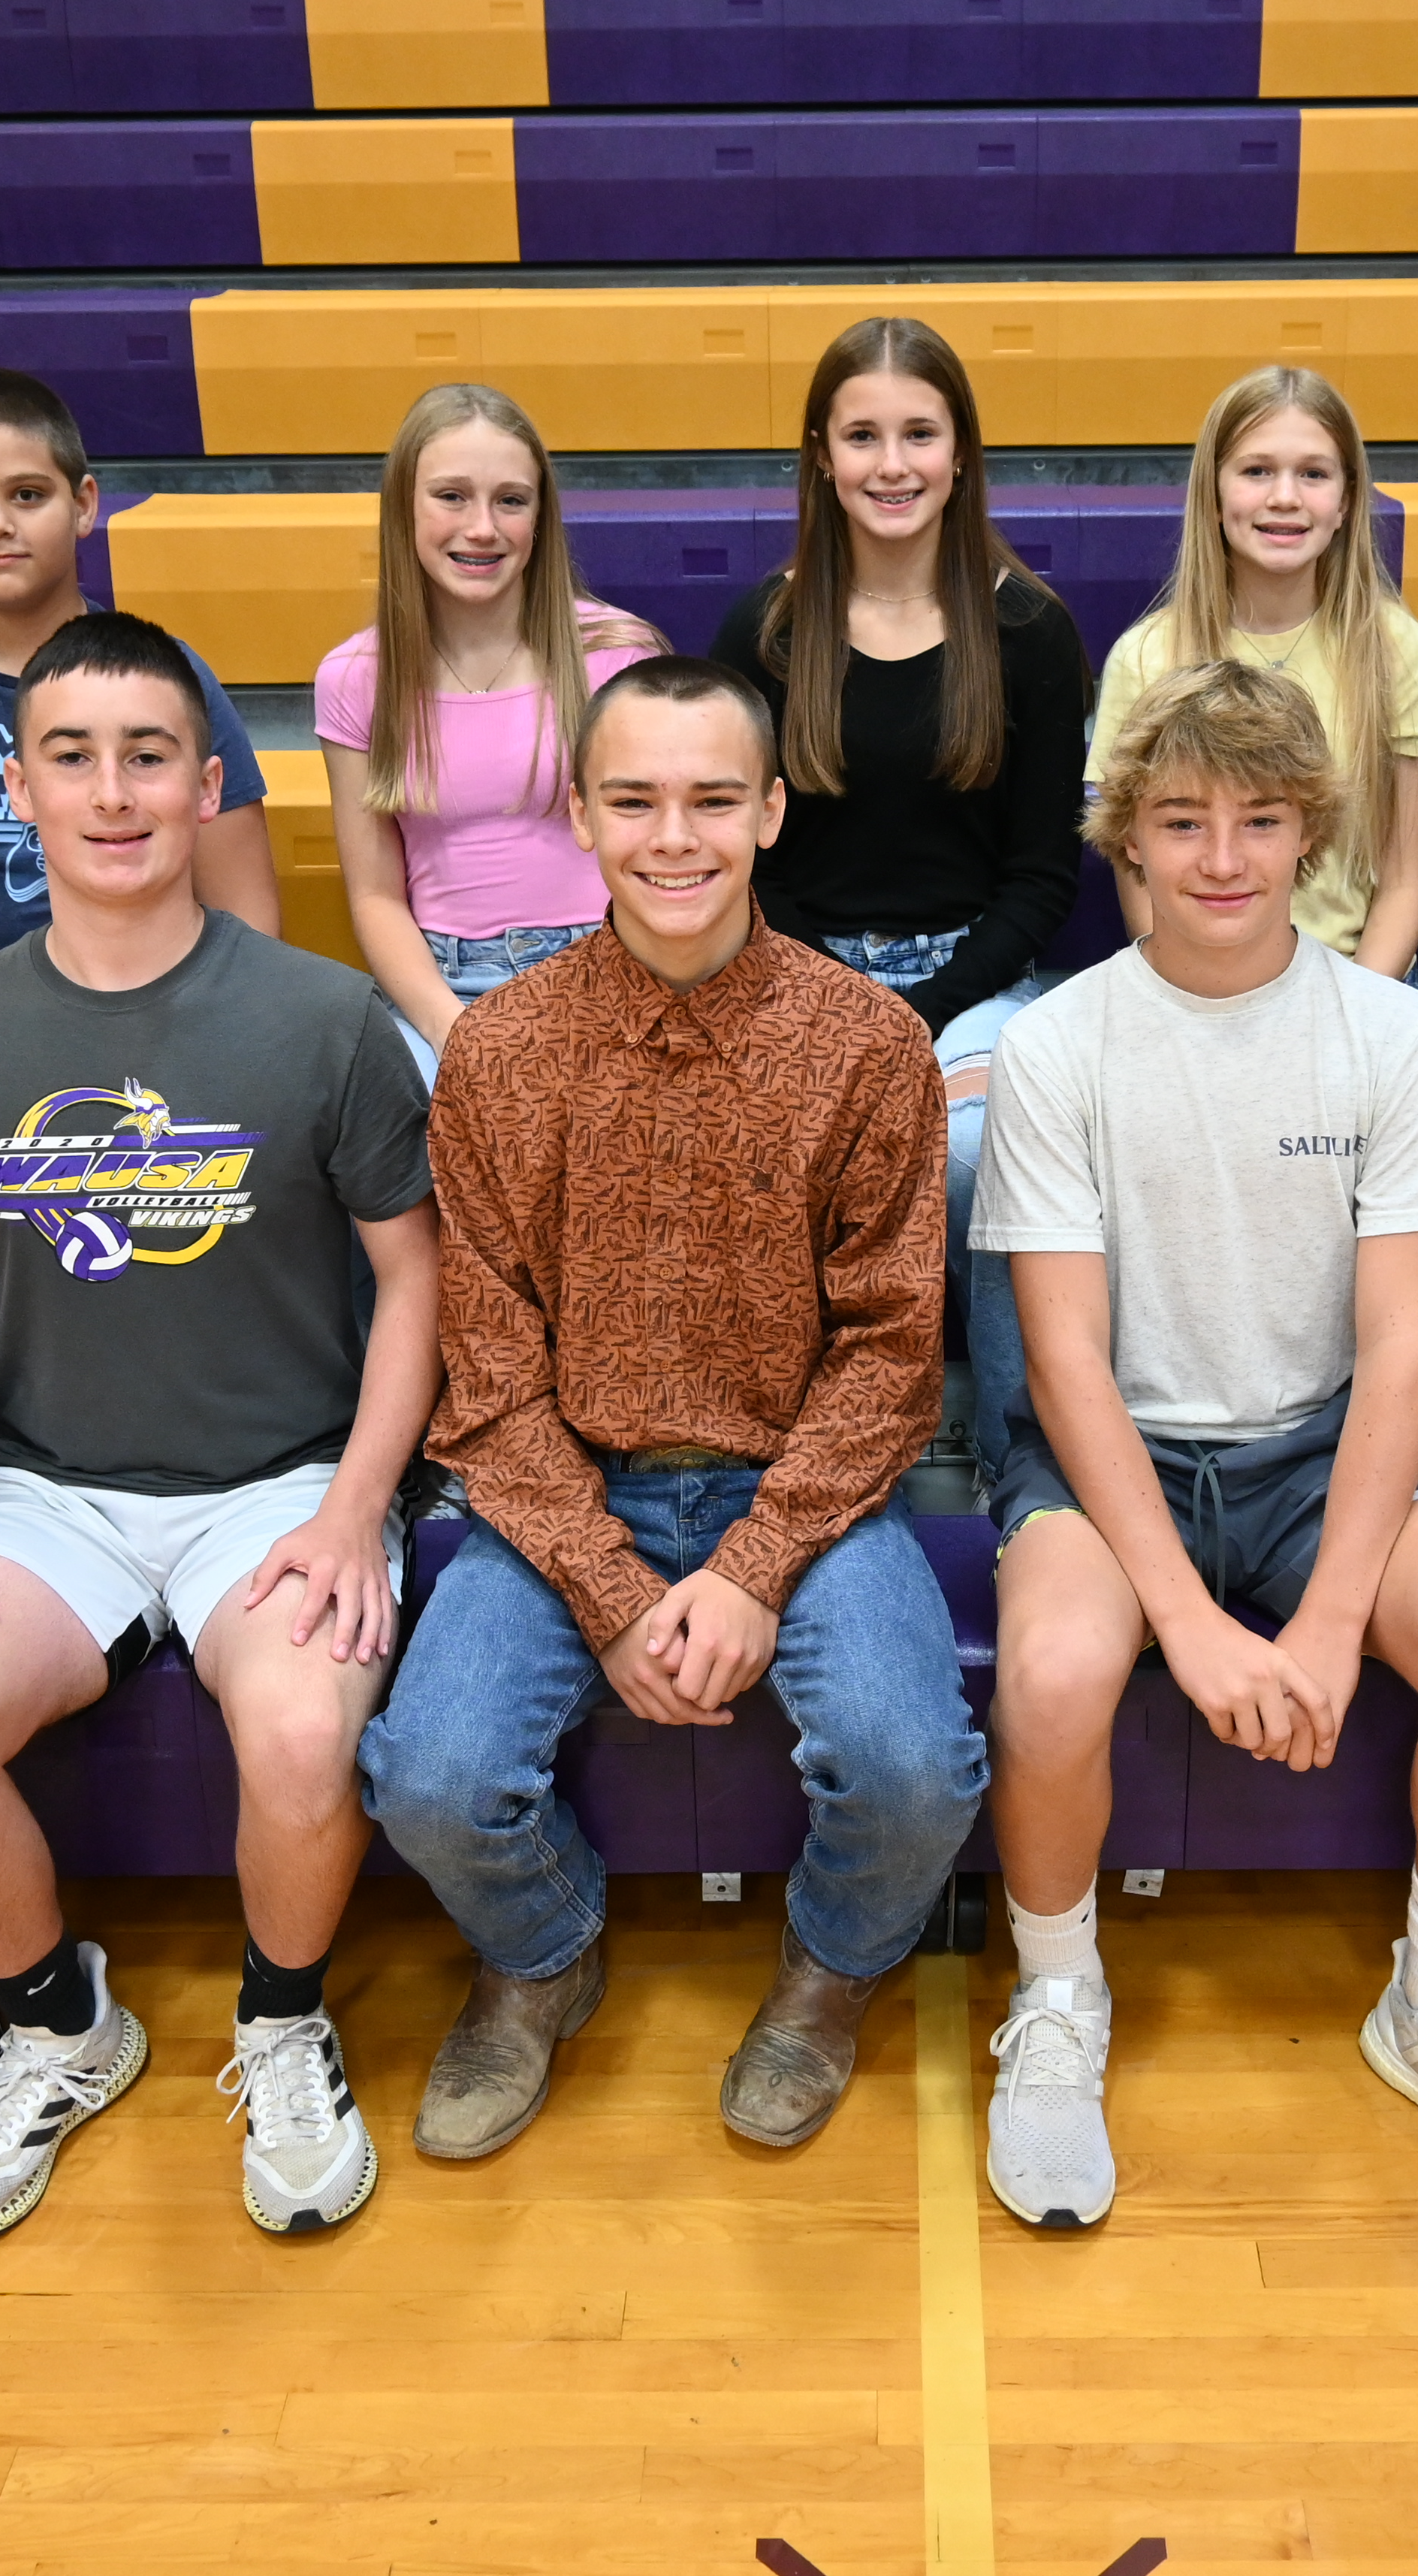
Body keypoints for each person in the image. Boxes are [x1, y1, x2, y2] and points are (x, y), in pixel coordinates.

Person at [972, 657, 1418, 2240]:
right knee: (1048, 1674)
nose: (1221, 856)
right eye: (1180, 820)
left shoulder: (1391, 1037)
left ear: (1309, 828)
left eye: (1256, 819)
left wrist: (1320, 1622)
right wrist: (1182, 1616)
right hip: (1114, 1453)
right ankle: (1054, 2001)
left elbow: (1400, 1353)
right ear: (1127, 840)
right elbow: (1059, 1361)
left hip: (1320, 1451)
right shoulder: (1057, 1047)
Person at [0, 611, 441, 2245]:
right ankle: (57, 2028)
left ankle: (281, 2019)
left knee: (307, 1733)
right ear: (18, 791)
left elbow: (415, 1286)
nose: (110, 790)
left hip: (282, 1479)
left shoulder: (321, 1021)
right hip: (43, 1486)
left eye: (147, 755)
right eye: (70, 756)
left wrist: (353, 1509)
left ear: (203, 785)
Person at [359, 655, 980, 2161]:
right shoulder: (498, 1053)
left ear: (770, 810)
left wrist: (757, 1564)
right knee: (426, 1784)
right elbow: (488, 1369)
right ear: (577, 813)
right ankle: (541, 1957)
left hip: (806, 1494)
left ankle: (830, 1972)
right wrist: (610, 1584)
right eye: (631, 799)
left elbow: (892, 1354)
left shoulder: (868, 1045)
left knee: (914, 1775)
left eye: (712, 798)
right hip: (565, 1484)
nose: (673, 836)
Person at [709, 317, 1092, 1460]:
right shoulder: (766, 631)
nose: (891, 464)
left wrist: (917, 1012)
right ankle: (783, 1436)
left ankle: (1010, 1446)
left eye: (917, 433)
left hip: (973, 980)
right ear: (819, 455)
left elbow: (1042, 879)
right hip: (793, 978)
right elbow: (745, 864)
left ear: (960, 452)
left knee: (978, 1153)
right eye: (862, 435)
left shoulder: (1026, 631)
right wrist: (843, 1006)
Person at [0, 367, 280, 1080]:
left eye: (26, 495)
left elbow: (243, 908)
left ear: (83, 503)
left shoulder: (164, 678)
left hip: (136, 987)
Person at [325, 382, 668, 1083]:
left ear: (539, 517)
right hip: (443, 987)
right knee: (394, 1130)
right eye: (451, 496)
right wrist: (452, 1031)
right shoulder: (355, 676)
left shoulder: (618, 654)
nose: (481, 527)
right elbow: (375, 895)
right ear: (404, 508)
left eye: (510, 500)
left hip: (608, 970)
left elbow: (659, 856)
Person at [1087, 364, 1418, 981]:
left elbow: (1402, 881)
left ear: (1344, 502)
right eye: (1256, 471)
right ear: (1213, 494)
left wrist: (1353, 1012)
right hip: (1196, 981)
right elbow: (1137, 872)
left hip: (1354, 978)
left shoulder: (1396, 649)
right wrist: (1207, 998)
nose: (1284, 497)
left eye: (1312, 474)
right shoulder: (1146, 656)